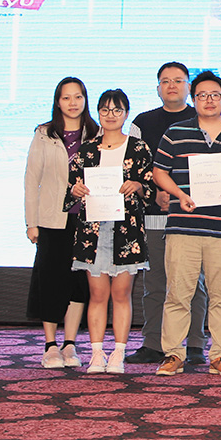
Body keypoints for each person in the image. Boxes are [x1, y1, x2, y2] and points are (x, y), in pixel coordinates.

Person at [152, 71, 221, 376]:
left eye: (215, 95)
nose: (209, 101)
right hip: (183, 227)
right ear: (193, 98)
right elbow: (159, 172)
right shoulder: (175, 132)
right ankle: (173, 354)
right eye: (202, 95)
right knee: (178, 294)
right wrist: (179, 194)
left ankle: (220, 355)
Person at [65, 89, 155, 374]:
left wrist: (139, 187)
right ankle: (96, 353)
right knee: (97, 294)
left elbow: (151, 190)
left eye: (117, 110)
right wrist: (76, 190)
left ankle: (118, 353)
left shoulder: (139, 148)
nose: (111, 115)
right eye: (105, 110)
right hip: (92, 232)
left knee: (121, 293)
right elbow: (70, 190)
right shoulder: (87, 150)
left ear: (126, 114)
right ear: (98, 113)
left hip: (126, 233)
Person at [126, 62, 207, 366]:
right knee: (155, 282)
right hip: (155, 215)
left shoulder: (203, 118)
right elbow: (131, 165)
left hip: (193, 214)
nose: (171, 85)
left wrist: (175, 193)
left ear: (189, 86)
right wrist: (153, 191)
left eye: (178, 80)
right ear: (157, 87)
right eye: (165, 81)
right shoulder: (142, 122)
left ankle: (196, 343)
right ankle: (153, 343)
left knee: (194, 283)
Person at [24, 77, 98, 369]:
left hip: (87, 222)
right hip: (52, 220)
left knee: (79, 284)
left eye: (78, 97)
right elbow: (32, 181)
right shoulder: (45, 134)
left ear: (85, 100)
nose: (72, 103)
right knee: (51, 280)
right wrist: (32, 222)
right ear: (58, 101)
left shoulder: (96, 132)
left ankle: (70, 344)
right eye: (66, 98)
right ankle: (50, 345)